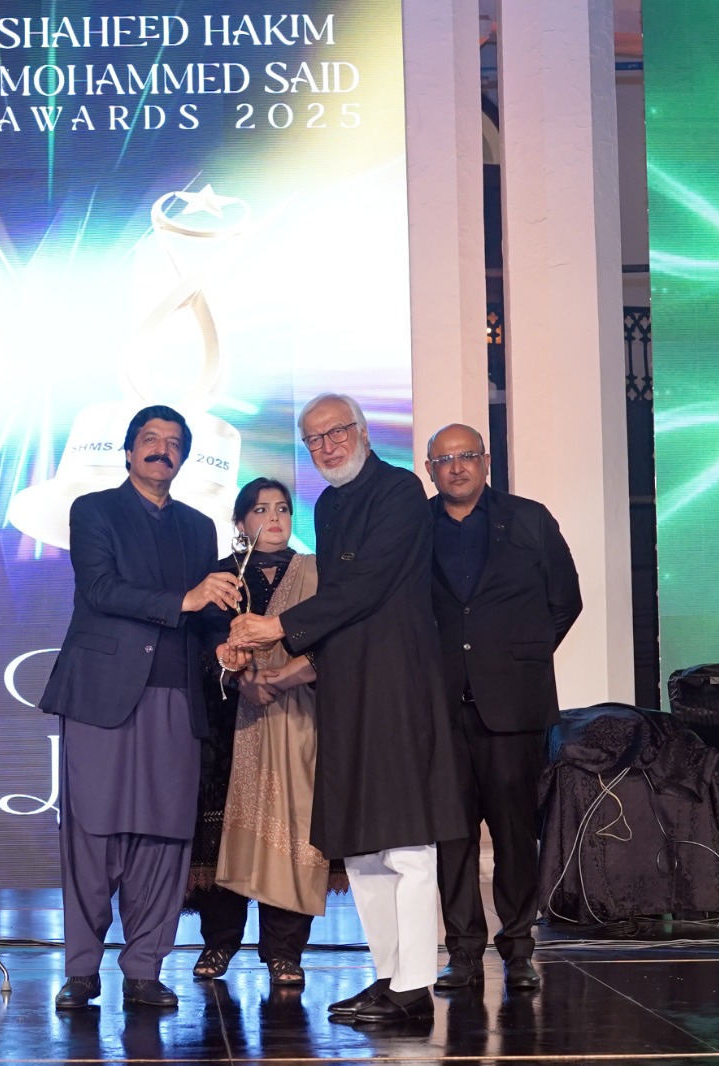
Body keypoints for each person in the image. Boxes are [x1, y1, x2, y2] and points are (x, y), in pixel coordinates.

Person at [229, 393, 465, 1025]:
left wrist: (277, 626)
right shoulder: (329, 505)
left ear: (361, 432)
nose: (327, 447)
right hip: (346, 685)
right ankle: (388, 978)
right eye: (314, 439)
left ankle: (414, 987)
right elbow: (342, 602)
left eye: (337, 433)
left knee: (406, 843)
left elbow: (365, 586)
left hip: (398, 683)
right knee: (361, 848)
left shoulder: (399, 492)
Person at [38, 404, 241, 1010]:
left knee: (165, 836)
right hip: (101, 694)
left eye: (173, 442)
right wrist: (186, 599)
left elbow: (205, 615)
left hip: (175, 695)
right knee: (92, 834)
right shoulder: (93, 509)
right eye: (150, 439)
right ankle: (81, 970)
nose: (161, 449)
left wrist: (225, 645)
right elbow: (101, 589)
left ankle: (145, 969)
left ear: (184, 458)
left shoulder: (200, 527)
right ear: (128, 452)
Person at [424, 423, 582, 993]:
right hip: (440, 707)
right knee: (452, 838)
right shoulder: (416, 527)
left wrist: (519, 659)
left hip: (513, 708)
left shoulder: (529, 519)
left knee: (515, 836)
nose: (457, 467)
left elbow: (566, 600)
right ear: (430, 470)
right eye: (444, 460)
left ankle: (518, 949)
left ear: (486, 462)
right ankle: (462, 952)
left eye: (467, 455)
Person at [186, 477, 334, 988]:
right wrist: (238, 676)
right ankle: (219, 942)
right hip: (229, 724)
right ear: (240, 522)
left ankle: (284, 951)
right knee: (224, 832)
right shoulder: (221, 578)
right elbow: (203, 642)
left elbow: (332, 638)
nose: (274, 518)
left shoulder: (317, 574)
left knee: (292, 831)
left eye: (283, 509)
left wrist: (286, 676)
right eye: (261, 509)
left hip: (299, 719)